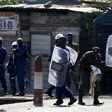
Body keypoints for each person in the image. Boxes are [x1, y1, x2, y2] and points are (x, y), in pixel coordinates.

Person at [48, 34, 77, 106]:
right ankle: (60, 99)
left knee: (59, 84)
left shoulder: (63, 49)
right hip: (60, 68)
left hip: (62, 69)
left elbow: (63, 60)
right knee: (61, 84)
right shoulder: (60, 48)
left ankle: (69, 97)